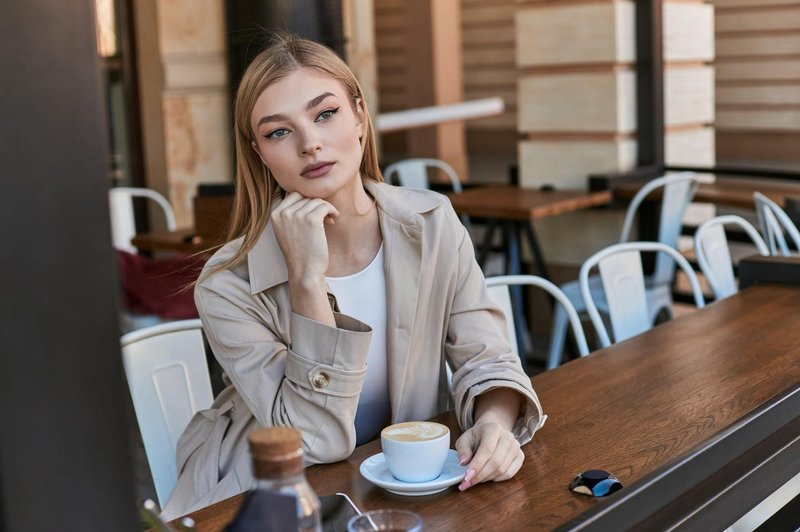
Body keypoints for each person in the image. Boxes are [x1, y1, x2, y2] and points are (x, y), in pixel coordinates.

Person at [162, 33, 544, 519]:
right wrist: (305, 280)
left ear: (360, 115)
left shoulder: (432, 222)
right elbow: (313, 441)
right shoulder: (226, 284)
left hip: (403, 485)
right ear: (258, 152)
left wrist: (494, 423)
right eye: (279, 132)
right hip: (271, 498)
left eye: (325, 114)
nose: (310, 143)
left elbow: (487, 354)